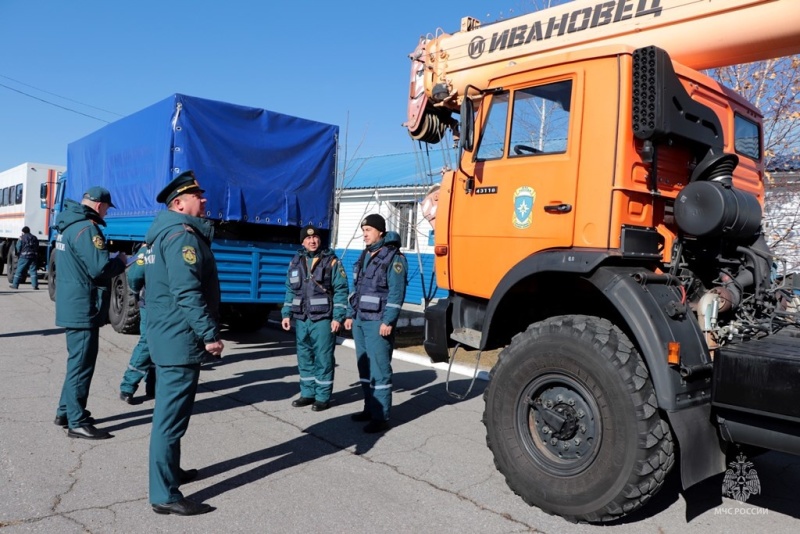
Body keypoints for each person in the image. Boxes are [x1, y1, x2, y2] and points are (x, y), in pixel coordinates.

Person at [144, 170, 222, 516]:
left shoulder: (160, 235)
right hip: (179, 340)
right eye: (197, 196)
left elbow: (136, 276)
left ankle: (170, 472)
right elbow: (187, 291)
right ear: (179, 203)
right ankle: (164, 493)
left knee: (172, 416)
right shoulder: (182, 237)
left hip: (167, 335)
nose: (204, 200)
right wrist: (209, 334)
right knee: (170, 419)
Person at [53, 187, 127, 439]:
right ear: (98, 205)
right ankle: (76, 421)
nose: (107, 211)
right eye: (107, 207)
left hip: (72, 303)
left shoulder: (69, 225)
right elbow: (100, 268)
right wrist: (121, 260)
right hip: (82, 306)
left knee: (77, 362)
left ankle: (65, 411)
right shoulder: (87, 229)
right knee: (82, 364)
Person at [344, 214, 408, 433]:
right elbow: (358, 289)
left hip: (378, 322)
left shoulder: (393, 258)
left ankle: (381, 417)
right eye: (363, 231)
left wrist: (388, 320)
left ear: (380, 232)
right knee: (365, 367)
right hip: (361, 320)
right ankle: (369, 408)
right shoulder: (365, 255)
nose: (365, 234)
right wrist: (351, 315)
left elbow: (397, 292)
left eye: (369, 230)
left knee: (379, 369)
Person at [281, 224, 349, 411]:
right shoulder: (295, 262)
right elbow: (290, 290)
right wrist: (286, 314)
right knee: (304, 357)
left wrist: (338, 317)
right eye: (308, 238)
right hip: (302, 319)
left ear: (320, 239)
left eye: (316, 237)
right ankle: (307, 394)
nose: (312, 241)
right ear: (302, 242)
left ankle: (322, 396)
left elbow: (341, 291)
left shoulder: (332, 262)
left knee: (323, 358)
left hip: (323, 319)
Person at [118, 244, 155, 404]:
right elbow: (134, 277)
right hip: (152, 304)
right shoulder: (148, 248)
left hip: (170, 307)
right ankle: (128, 386)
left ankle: (154, 386)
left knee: (161, 345)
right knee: (147, 342)